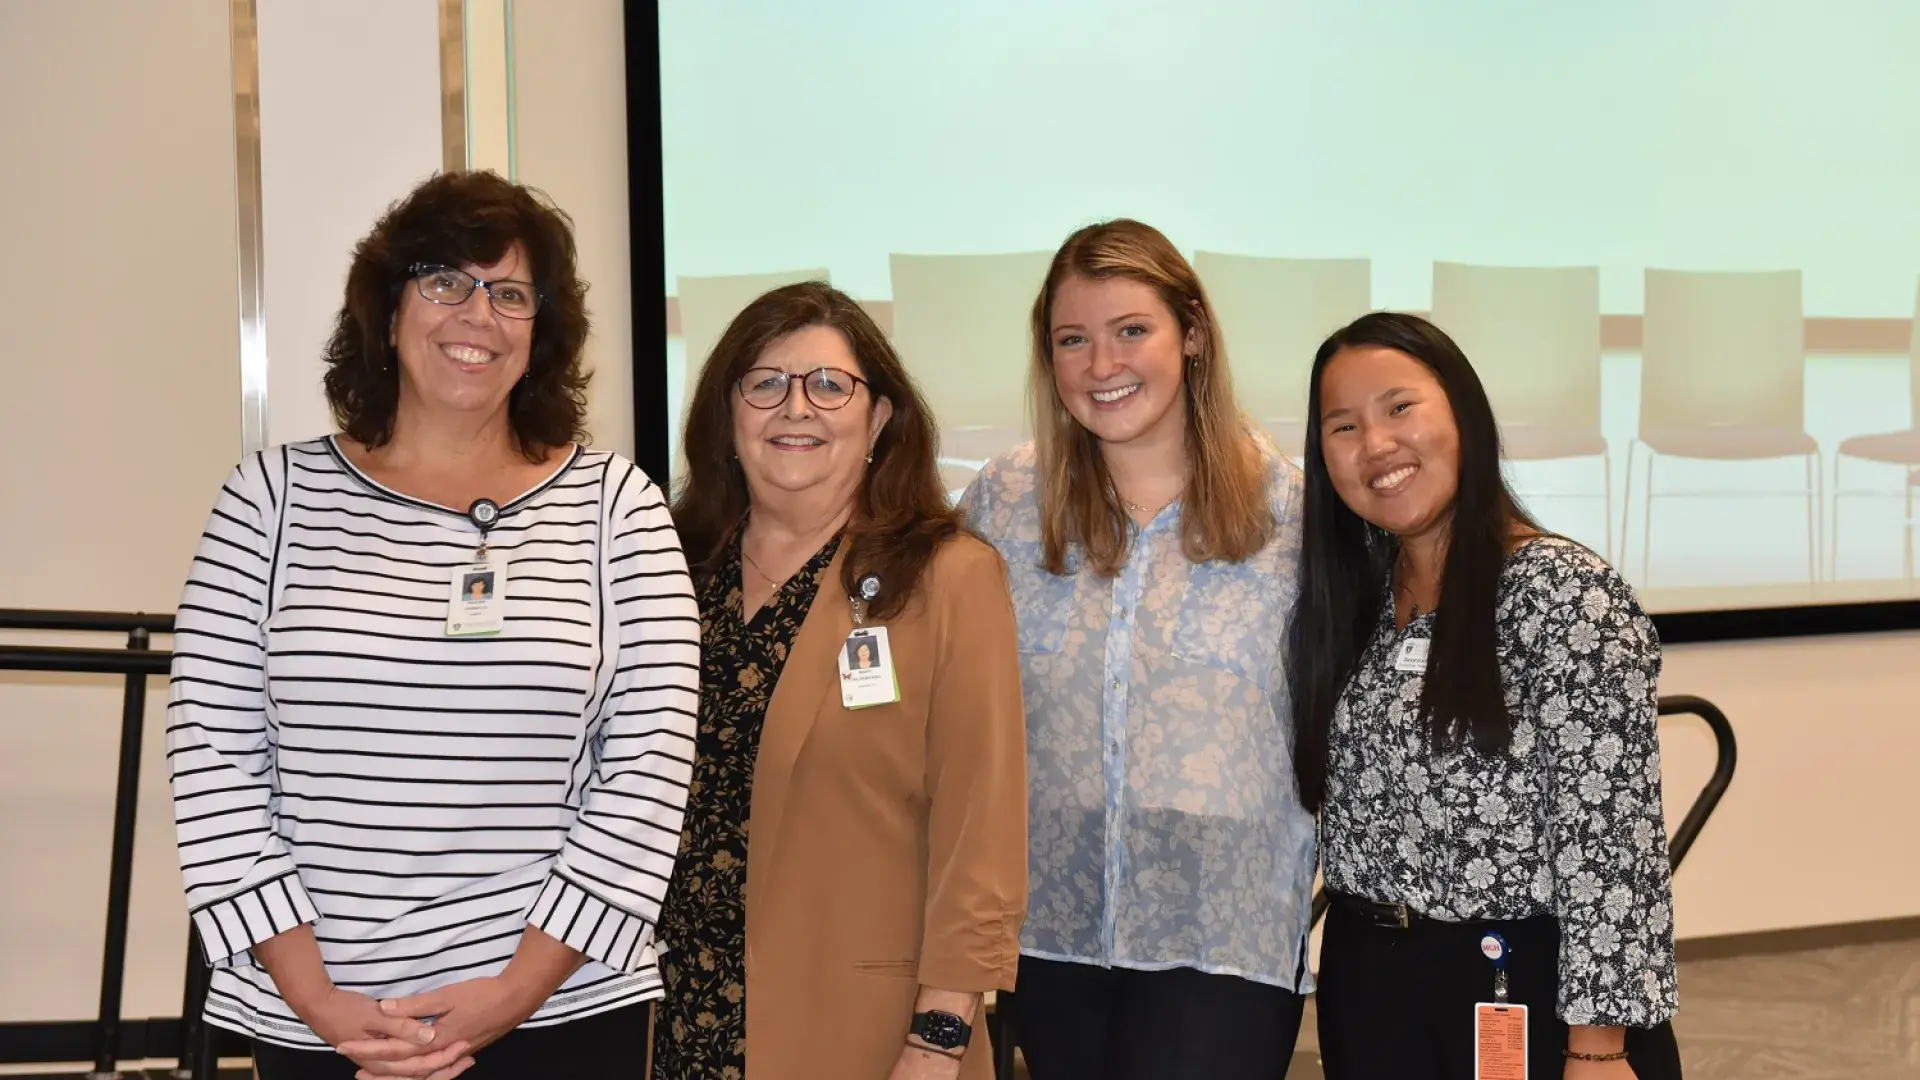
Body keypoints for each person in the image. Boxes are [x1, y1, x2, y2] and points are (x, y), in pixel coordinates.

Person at [166, 172, 699, 1080]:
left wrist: (514, 993)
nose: (477, 315)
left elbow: (647, 772)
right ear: (387, 310)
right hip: (322, 1019)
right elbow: (214, 766)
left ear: (542, 332)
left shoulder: (621, 509)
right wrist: (322, 1003)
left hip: (558, 1014)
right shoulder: (268, 501)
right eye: (444, 281)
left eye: (511, 292)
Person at [959, 219, 1316, 1080]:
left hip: (1223, 936)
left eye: (1132, 331)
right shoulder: (1006, 499)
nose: (1101, 365)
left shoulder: (1293, 516)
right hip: (1052, 931)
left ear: (1191, 334)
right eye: (1072, 340)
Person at [1286, 312, 1682, 1079]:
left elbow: (1612, 846)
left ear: (1463, 412)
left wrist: (1596, 1051)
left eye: (1400, 408)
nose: (1376, 446)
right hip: (1368, 984)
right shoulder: (1357, 602)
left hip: (1520, 986)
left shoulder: (1562, 592)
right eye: (1343, 426)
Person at [655, 281, 1027, 1079]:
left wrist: (940, 1038)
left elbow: (981, 833)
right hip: (673, 1017)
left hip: (867, 1032)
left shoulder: (948, 576)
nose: (797, 409)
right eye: (765, 384)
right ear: (727, 414)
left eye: (830, 385)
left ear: (880, 418)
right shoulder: (669, 568)